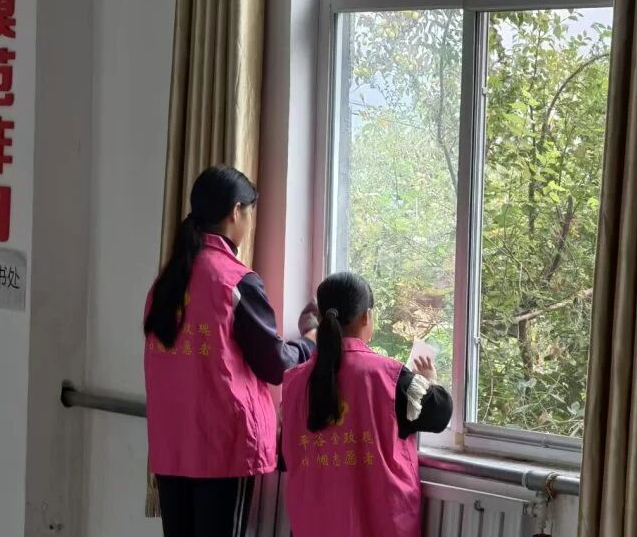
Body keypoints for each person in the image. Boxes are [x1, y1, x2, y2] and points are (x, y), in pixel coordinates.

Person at [144, 165, 317, 537]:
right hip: (222, 447)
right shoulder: (235, 280)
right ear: (236, 211)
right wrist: (309, 343)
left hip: (172, 445)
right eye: (251, 212)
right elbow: (275, 365)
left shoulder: (165, 283)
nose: (250, 223)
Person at [280, 272, 452, 537]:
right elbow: (439, 414)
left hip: (314, 524)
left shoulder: (294, 381)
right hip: (382, 524)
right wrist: (429, 381)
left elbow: (285, 455)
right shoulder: (390, 377)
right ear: (365, 317)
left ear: (321, 318)